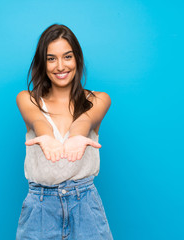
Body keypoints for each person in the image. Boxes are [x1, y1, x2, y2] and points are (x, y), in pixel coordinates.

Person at [16, 24, 113, 240]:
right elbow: (37, 119)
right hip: (40, 209)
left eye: (67, 56)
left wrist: (77, 137)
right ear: (43, 63)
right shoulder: (27, 98)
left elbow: (86, 119)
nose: (60, 66)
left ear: (77, 58)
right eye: (51, 58)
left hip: (85, 205)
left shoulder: (98, 99)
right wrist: (47, 137)